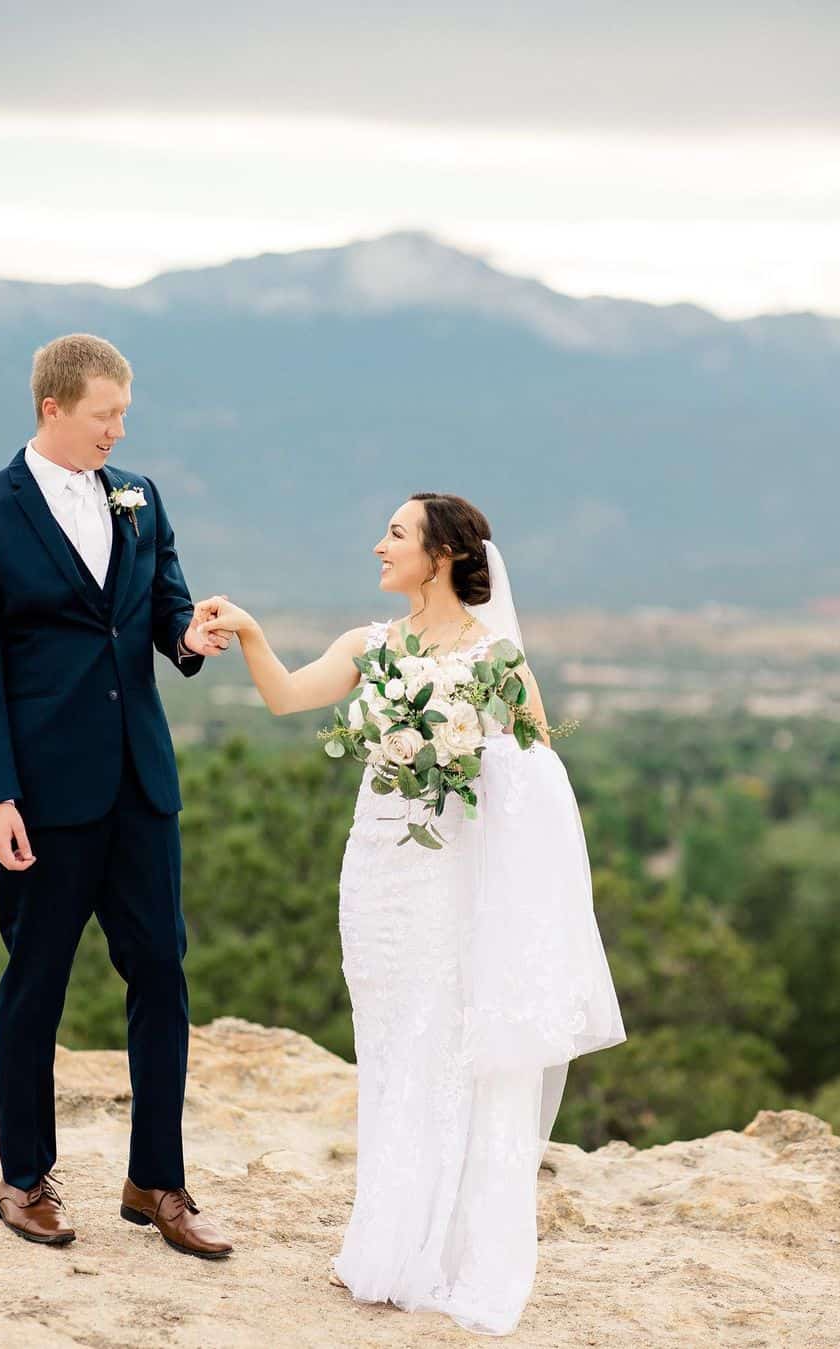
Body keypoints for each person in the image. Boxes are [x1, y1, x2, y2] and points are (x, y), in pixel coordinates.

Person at [192, 491, 626, 1335]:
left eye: (395, 534)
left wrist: (467, 754)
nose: (378, 546)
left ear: (441, 556)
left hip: (455, 879)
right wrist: (248, 630)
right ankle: (387, 1239)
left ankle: (449, 1250)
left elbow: (540, 775)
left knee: (444, 1042)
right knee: (390, 1043)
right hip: (378, 873)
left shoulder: (497, 658)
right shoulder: (370, 645)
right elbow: (285, 697)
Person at [0, 333, 234, 1257]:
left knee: (162, 976)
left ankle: (158, 1182)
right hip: (42, 796)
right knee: (36, 984)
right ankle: (23, 1179)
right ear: (53, 408)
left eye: (123, 416)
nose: (118, 430)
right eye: (105, 414)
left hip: (141, 786)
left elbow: (163, 619)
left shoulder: (140, 496)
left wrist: (197, 634)